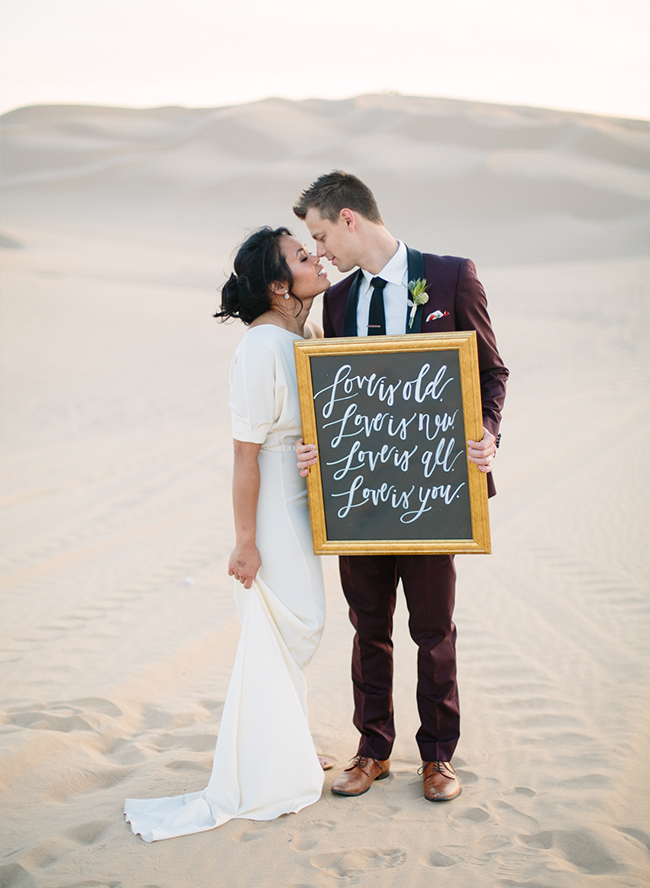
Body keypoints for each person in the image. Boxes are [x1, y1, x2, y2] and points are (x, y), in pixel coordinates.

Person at [293, 171, 508, 802]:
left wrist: (488, 433)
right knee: (369, 627)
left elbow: (491, 371)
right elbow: (332, 398)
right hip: (360, 498)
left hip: (432, 493)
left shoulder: (449, 277)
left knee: (433, 627)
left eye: (321, 234)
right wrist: (316, 447)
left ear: (350, 218)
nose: (321, 250)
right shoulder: (336, 305)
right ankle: (372, 749)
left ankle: (438, 757)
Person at [124, 227, 331, 841]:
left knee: (296, 625)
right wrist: (246, 540)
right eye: (301, 256)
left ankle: (285, 740)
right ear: (277, 285)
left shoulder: (303, 335)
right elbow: (245, 455)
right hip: (269, 502)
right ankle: (270, 760)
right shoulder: (261, 349)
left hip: (300, 497)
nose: (315, 258)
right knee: (298, 620)